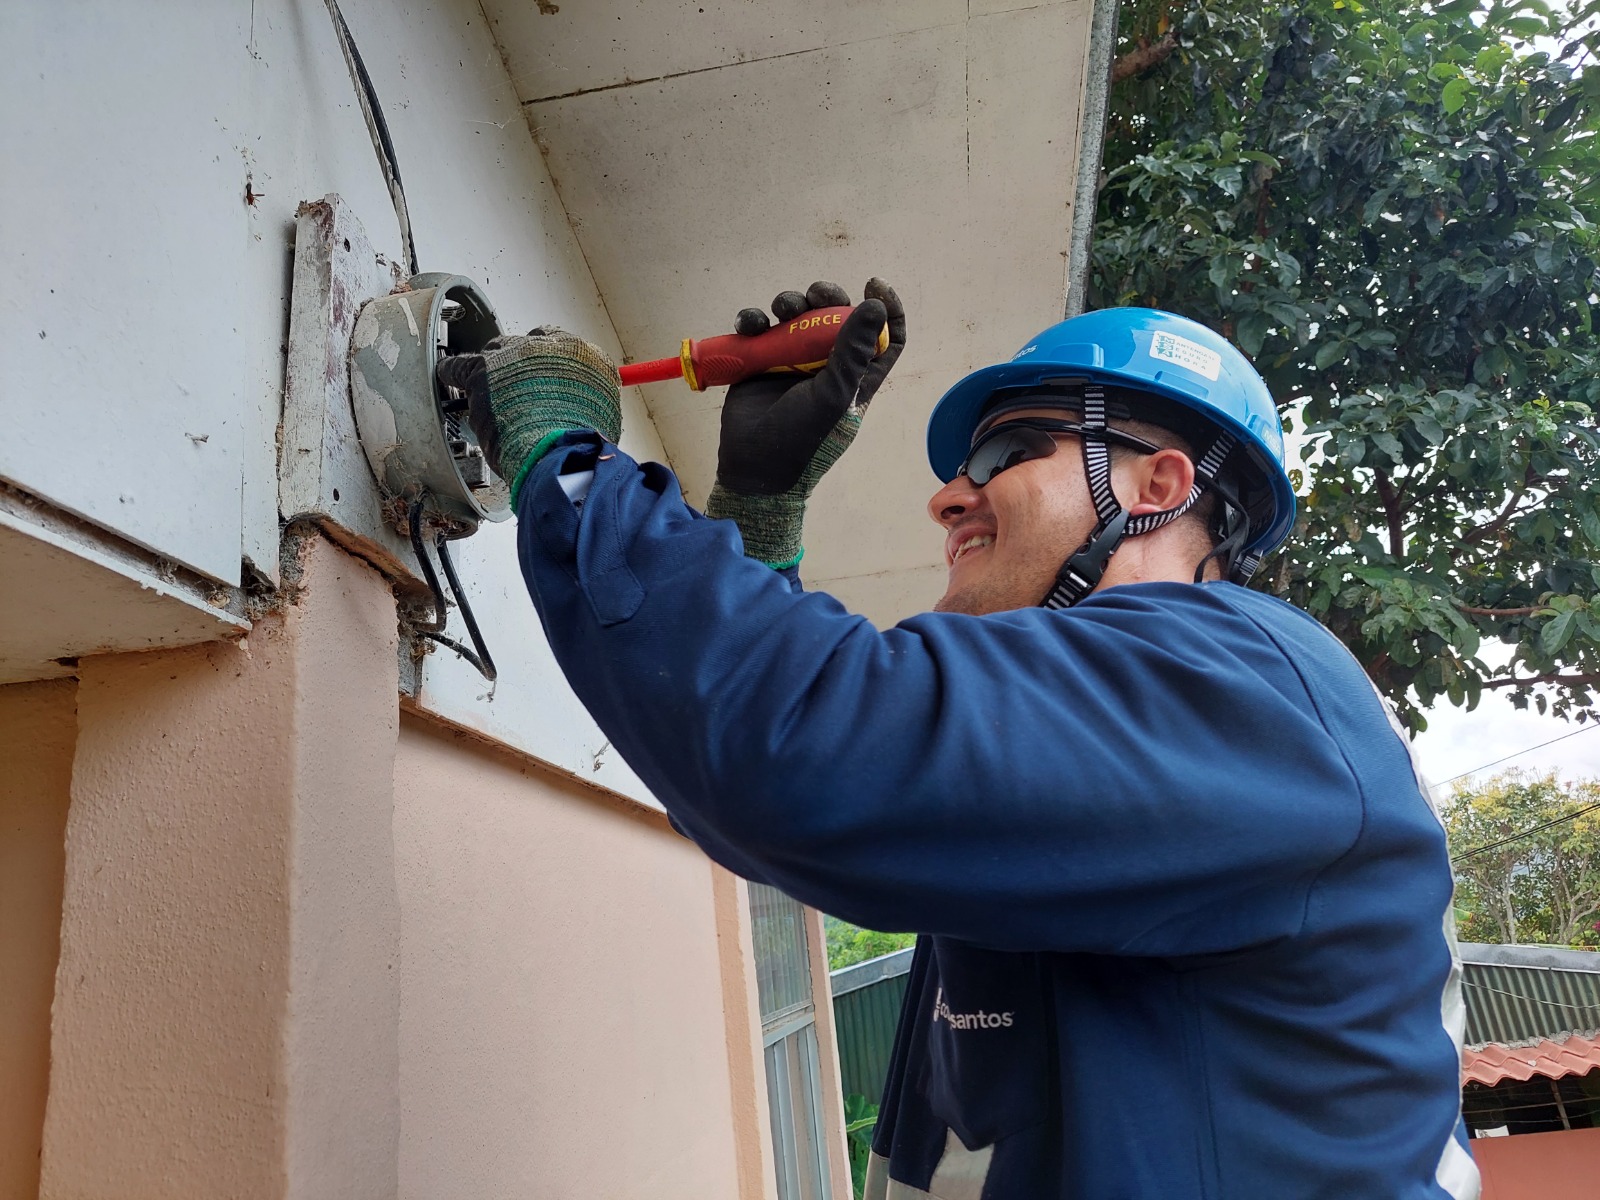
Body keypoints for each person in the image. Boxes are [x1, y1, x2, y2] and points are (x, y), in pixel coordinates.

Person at [437, 282, 1479, 1199]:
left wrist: (566, 460)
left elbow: (807, 756)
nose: (947, 495)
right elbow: (811, 793)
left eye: (1003, 452)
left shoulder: (1242, 688)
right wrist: (760, 517)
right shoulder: (1162, 722)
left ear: (1157, 487)